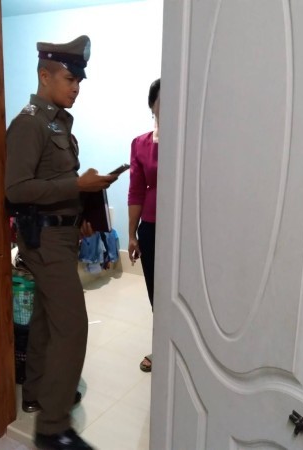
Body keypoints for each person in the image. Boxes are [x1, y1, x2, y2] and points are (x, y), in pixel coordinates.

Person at [5, 35, 116, 450]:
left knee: (45, 321)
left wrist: (82, 209)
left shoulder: (59, 123)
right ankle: (53, 429)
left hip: (63, 235)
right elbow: (17, 189)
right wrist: (76, 185)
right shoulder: (29, 123)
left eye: (79, 81)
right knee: (72, 327)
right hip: (44, 240)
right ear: (44, 75)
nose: (76, 88)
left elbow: (54, 181)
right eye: (70, 79)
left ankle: (36, 392)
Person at [128, 78, 160, 373]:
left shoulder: (190, 141)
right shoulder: (140, 144)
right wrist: (131, 234)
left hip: (184, 232)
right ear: (152, 106)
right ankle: (161, 346)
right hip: (151, 228)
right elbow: (136, 191)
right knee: (157, 293)